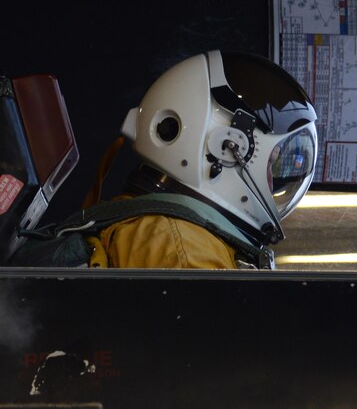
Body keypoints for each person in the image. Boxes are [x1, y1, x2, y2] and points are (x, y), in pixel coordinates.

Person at [13, 50, 318, 269]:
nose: (271, 182)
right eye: (271, 164)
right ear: (226, 148)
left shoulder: (171, 232)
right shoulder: (180, 247)